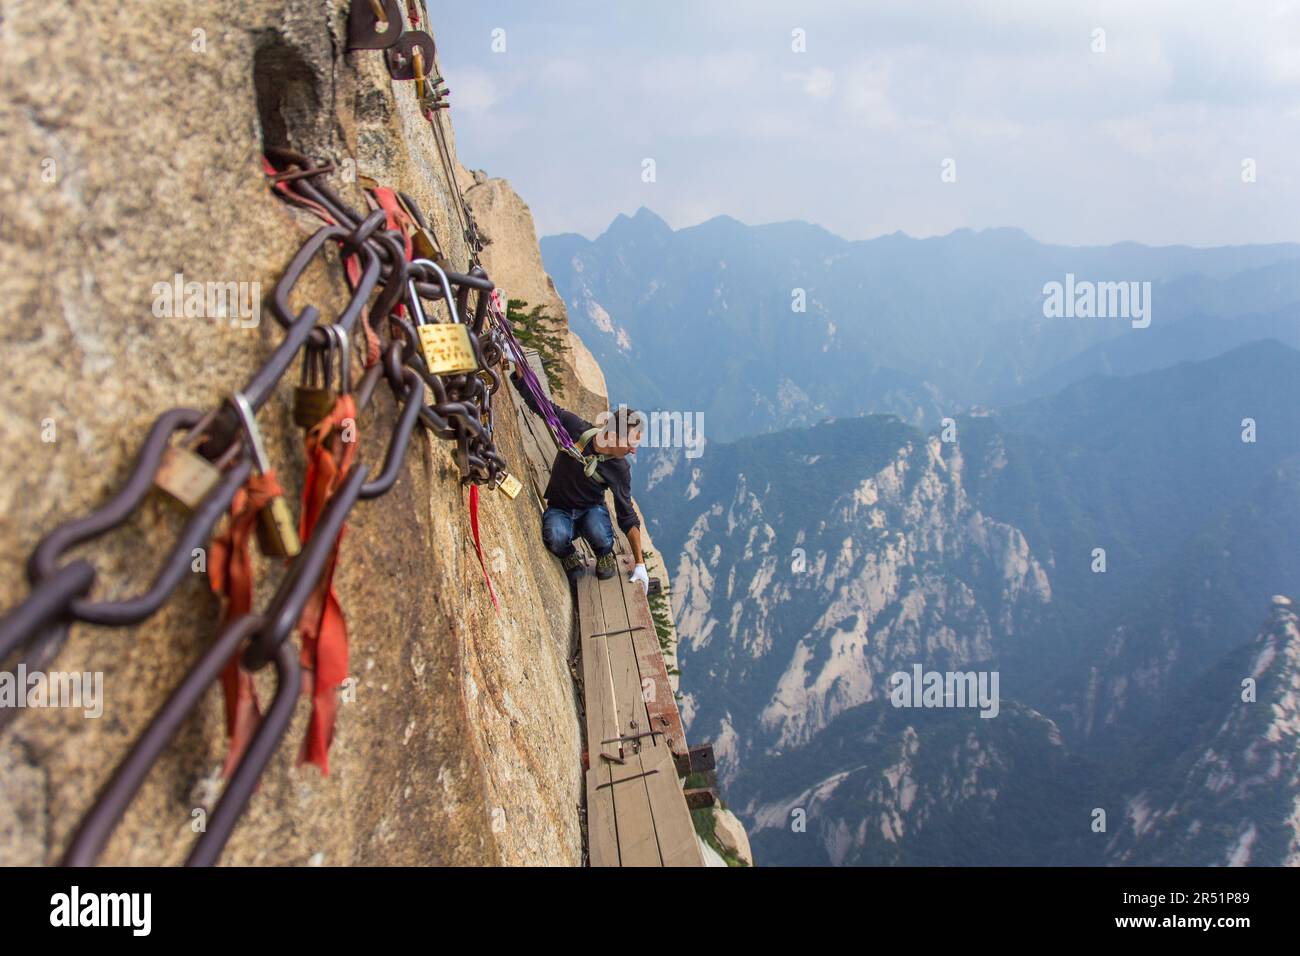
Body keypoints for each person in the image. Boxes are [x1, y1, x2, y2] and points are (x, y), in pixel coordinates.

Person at [505, 356, 649, 592]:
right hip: (559, 507)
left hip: (591, 508)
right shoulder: (577, 429)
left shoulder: (620, 469)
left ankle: (605, 554)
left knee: (602, 537)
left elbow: (626, 514)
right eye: (630, 443)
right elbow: (543, 407)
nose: (633, 450)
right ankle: (569, 554)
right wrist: (521, 370)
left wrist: (640, 564)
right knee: (555, 536)